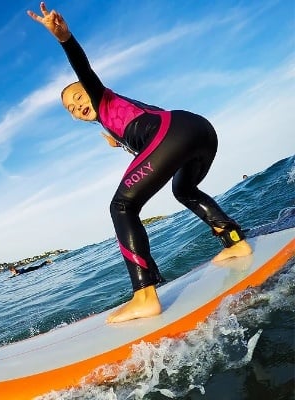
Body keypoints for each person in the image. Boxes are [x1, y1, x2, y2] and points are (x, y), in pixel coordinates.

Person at [27, 3, 252, 324]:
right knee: (184, 189)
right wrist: (120, 141)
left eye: (78, 97)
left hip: (174, 131)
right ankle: (235, 242)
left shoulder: (103, 97)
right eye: (71, 109)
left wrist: (65, 39)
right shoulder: (116, 117)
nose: (77, 106)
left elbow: (84, 71)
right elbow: (153, 127)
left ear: (90, 92)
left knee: (121, 207)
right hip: (197, 128)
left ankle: (145, 295)